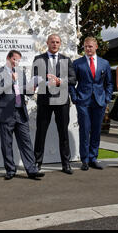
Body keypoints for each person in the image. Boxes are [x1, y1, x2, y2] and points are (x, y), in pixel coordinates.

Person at [0, 50, 44, 180]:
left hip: (20, 112)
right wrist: (10, 80)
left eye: (18, 60)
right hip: (5, 113)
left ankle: (32, 170)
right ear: (8, 58)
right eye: (14, 59)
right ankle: (10, 170)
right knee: (6, 143)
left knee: (26, 142)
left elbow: (26, 92)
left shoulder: (21, 73)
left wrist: (32, 88)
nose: (16, 62)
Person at [32, 34, 76, 174]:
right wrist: (46, 80)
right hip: (45, 101)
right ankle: (37, 163)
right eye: (52, 42)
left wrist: (59, 81)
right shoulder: (39, 59)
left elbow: (73, 79)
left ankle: (66, 164)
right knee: (41, 133)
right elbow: (34, 79)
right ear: (47, 43)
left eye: (57, 42)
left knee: (63, 133)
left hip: (62, 101)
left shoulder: (66, 60)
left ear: (60, 44)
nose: (55, 44)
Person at [70, 36, 113, 171]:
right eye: (85, 46)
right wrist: (75, 97)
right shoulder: (77, 63)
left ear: (96, 47)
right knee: (84, 130)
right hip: (83, 101)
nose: (87, 49)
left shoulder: (104, 63)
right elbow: (71, 83)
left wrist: (107, 98)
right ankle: (85, 160)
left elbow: (109, 83)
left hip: (99, 102)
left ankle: (93, 158)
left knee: (96, 131)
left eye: (90, 46)